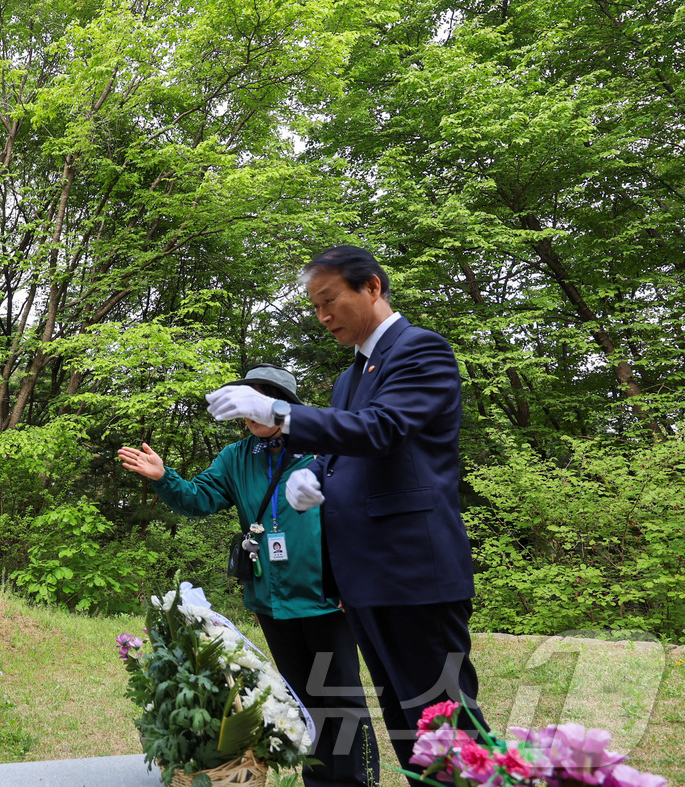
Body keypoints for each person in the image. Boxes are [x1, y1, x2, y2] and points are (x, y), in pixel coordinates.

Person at [205, 246, 486, 779]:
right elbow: (354, 449)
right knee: (406, 722)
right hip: (366, 580)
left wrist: (279, 411)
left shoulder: (420, 350)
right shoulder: (349, 377)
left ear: (372, 287)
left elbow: (383, 428)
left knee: (445, 722)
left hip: (413, 572)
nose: (323, 316)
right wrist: (318, 478)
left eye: (329, 300)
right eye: (314, 306)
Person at [118, 364, 378, 787]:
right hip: (272, 600)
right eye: (245, 404)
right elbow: (199, 500)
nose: (250, 413)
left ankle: (359, 780)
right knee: (301, 699)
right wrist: (165, 478)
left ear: (284, 405)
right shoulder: (237, 457)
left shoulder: (323, 450)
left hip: (326, 598)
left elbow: (359, 518)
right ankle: (320, 781)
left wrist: (355, 582)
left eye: (259, 401)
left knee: (341, 696)